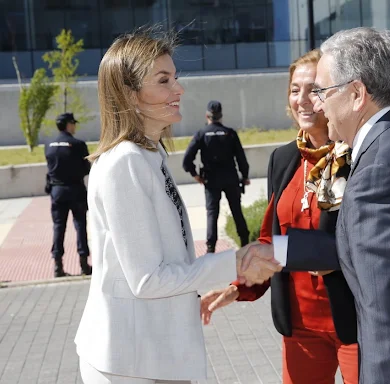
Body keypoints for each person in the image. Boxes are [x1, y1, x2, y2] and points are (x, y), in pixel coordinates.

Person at [243, 27, 390, 383]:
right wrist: (278, 251)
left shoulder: (378, 165)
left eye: (322, 91)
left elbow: (384, 308)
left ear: (357, 94)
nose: (317, 104)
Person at [74, 28, 280, 384]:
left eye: (176, 78)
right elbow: (148, 279)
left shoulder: (148, 155)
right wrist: (234, 262)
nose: (179, 89)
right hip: (131, 361)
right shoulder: (126, 163)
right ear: (130, 94)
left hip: (155, 354)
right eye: (164, 80)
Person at [200, 49, 359, 384]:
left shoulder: (356, 156)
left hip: (355, 323)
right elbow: (270, 241)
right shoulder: (283, 159)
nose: (302, 100)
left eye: (313, 89)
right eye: (294, 89)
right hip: (299, 326)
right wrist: (237, 287)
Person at [182, 100, 250, 252]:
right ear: (221, 116)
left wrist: (195, 175)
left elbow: (187, 160)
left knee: (212, 213)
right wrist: (245, 176)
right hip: (231, 179)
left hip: (211, 180)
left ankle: (211, 248)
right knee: (236, 210)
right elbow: (241, 158)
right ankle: (245, 243)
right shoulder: (230, 133)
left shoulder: (201, 134)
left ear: (207, 115)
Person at [45, 112, 92, 278]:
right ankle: (84, 265)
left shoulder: (48, 144)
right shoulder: (78, 144)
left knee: (59, 227)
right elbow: (87, 168)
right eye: (74, 123)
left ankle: (57, 266)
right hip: (76, 190)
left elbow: (49, 168)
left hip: (57, 191)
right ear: (69, 124)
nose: (75, 126)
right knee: (80, 226)